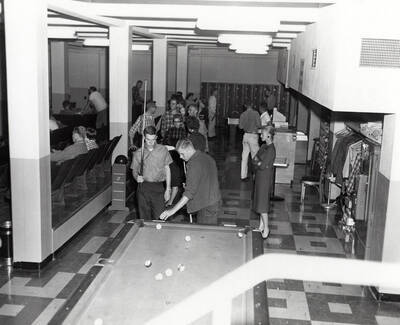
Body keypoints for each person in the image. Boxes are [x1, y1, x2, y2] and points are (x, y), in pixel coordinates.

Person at [159, 139, 221, 225]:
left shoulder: (193, 165)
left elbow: (189, 193)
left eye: (182, 153)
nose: (180, 157)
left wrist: (171, 211)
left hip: (205, 207)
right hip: (213, 202)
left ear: (189, 149)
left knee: (204, 235)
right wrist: (191, 184)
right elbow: (206, 179)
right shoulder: (207, 157)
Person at [131, 126, 172, 220]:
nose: (150, 142)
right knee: (144, 219)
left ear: (156, 137)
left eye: (153, 139)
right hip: (143, 188)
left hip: (158, 187)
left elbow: (167, 168)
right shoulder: (138, 152)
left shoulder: (163, 150)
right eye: (148, 139)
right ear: (144, 138)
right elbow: (134, 170)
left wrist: (168, 189)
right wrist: (136, 177)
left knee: (160, 218)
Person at [252, 125, 276, 239]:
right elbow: (254, 159)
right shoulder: (263, 146)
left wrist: (259, 163)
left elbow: (262, 165)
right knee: (259, 201)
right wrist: (259, 163)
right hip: (259, 177)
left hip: (265, 179)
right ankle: (261, 226)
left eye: (262, 134)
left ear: (269, 135)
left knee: (262, 205)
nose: (260, 135)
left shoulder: (271, 149)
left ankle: (266, 228)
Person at [239, 102, 261, 181]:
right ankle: (256, 176)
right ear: (252, 105)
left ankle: (243, 176)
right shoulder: (256, 113)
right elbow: (259, 125)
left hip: (245, 136)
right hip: (253, 136)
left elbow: (240, 127)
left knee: (244, 157)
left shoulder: (242, 114)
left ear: (245, 106)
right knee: (255, 157)